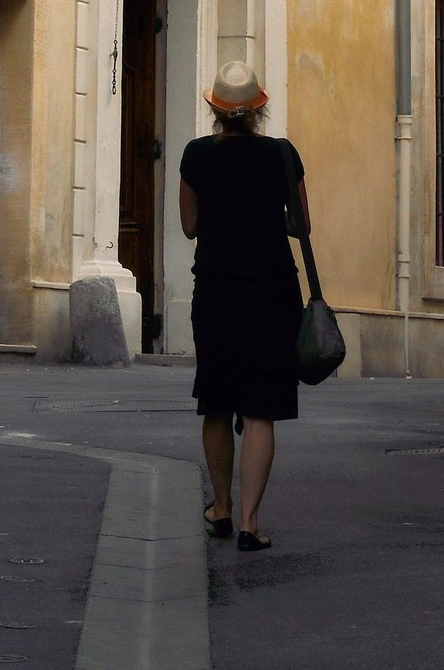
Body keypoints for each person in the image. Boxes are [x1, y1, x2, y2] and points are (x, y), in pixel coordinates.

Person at [178, 60, 309, 554]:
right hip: (272, 293)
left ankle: (221, 508)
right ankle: (251, 524)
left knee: (216, 401)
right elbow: (301, 225)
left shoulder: (196, 155)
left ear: (214, 109)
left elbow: (189, 226)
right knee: (259, 410)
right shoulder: (282, 155)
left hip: (216, 293)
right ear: (259, 109)